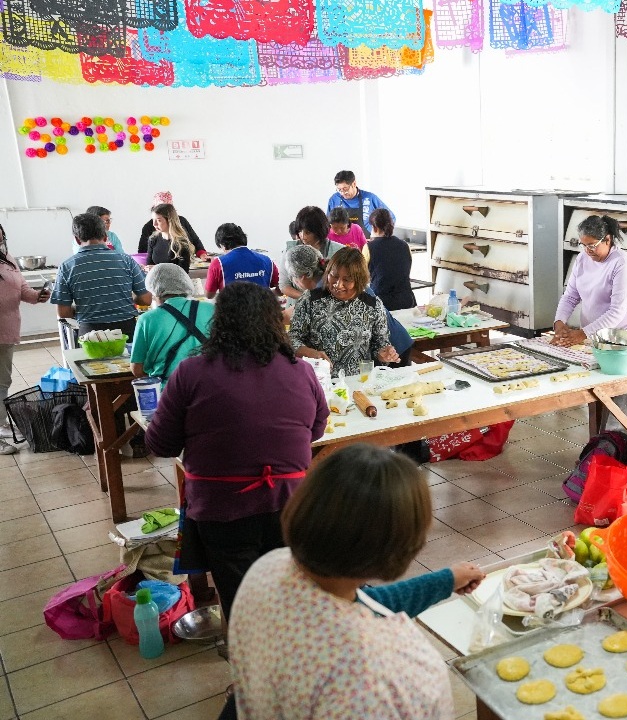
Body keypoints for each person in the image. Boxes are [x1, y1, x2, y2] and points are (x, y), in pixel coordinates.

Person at [228, 444, 484, 718]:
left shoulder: (268, 568)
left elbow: (366, 604)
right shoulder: (382, 677)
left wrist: (445, 581)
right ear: (399, 549)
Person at [145, 282, 328, 622]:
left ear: (219, 322)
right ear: (276, 322)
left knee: (241, 600)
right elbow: (315, 430)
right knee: (288, 590)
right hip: (290, 504)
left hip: (222, 508)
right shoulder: (301, 371)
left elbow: (160, 444)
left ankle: (250, 661)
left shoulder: (191, 372)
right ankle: (292, 656)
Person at [289, 247, 398, 376]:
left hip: (358, 381)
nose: (338, 284)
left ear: (359, 280)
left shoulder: (373, 305)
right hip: (320, 380)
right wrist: (311, 353)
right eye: (334, 276)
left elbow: (380, 343)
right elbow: (292, 339)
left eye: (347, 280)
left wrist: (384, 354)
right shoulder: (310, 300)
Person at [52, 213, 152, 336]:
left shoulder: (67, 267)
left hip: (90, 334)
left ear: (77, 240)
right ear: (105, 237)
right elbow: (146, 299)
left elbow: (63, 313)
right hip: (127, 329)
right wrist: (124, 299)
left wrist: (83, 308)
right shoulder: (126, 260)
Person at [552, 215, 627, 347]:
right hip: (592, 335)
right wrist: (559, 323)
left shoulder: (622, 264)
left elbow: (616, 312)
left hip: (621, 338)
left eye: (592, 245)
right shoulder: (582, 258)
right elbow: (570, 297)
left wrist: (582, 334)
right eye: (583, 245)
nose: (587, 251)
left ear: (607, 239)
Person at [0, 223, 51, 453]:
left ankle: (1, 424)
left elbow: (22, 290)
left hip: (7, 330)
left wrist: (37, 296)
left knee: (3, 381)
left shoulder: (7, 259)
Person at [130, 264, 215, 384]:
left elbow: (137, 369)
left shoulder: (146, 319)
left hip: (168, 392)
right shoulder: (211, 309)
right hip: (209, 388)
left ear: (154, 290)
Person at [281, 207, 344, 303]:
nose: (303, 236)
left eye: (308, 232)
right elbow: (284, 285)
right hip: (297, 306)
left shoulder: (339, 251)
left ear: (319, 231)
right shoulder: (290, 249)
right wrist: (309, 299)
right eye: (300, 231)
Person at [204, 223, 278, 297]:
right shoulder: (267, 261)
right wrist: (265, 295)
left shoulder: (218, 263)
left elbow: (209, 295)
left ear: (222, 245)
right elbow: (282, 288)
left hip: (230, 307)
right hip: (263, 307)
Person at [365, 207, 415, 312]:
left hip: (382, 304)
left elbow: (362, 276)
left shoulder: (369, 247)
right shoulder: (405, 245)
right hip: (407, 301)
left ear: (374, 228)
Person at [137, 191, 206, 256]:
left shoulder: (182, 221)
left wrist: (202, 254)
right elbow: (143, 253)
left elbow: (195, 241)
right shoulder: (149, 227)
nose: (155, 224)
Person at [327, 170, 394, 236]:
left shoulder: (369, 198)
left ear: (354, 184)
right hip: (342, 244)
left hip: (367, 242)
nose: (343, 193)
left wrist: (381, 237)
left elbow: (391, 218)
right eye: (339, 189)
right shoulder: (334, 199)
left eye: (345, 189)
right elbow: (328, 224)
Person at [146, 203, 196, 273]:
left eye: (159, 220)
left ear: (169, 220)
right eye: (153, 220)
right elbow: (149, 264)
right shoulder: (153, 239)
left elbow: (183, 272)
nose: (154, 224)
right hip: (156, 282)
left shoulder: (181, 244)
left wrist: (158, 269)